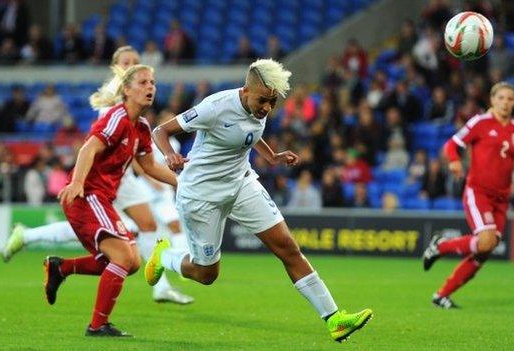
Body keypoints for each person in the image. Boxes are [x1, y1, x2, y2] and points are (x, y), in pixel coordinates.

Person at [147, 59, 372, 342]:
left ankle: (334, 318)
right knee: (206, 274)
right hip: (201, 194)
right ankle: (163, 256)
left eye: (273, 103)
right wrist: (169, 154)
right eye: (263, 101)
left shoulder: (261, 105)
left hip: (242, 184)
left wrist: (271, 156)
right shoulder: (214, 107)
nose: (266, 108)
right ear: (245, 91)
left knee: (288, 248)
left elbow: (248, 134)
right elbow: (161, 131)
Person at [3, 46, 192, 305]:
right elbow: (98, 146)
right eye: (127, 62)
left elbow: (141, 154)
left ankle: (33, 241)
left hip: (118, 179)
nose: (134, 66)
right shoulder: (117, 110)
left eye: (138, 63)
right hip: (106, 181)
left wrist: (184, 183)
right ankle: (149, 292)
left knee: (127, 238)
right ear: (117, 68)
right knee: (125, 242)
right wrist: (81, 181)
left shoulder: (138, 114)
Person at [46, 64, 178, 336]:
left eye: (152, 82)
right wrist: (78, 182)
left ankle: (62, 267)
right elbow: (89, 147)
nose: (150, 87)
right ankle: (97, 326)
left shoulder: (141, 127)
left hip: (102, 199)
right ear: (126, 90)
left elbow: (150, 166)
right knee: (122, 256)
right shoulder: (117, 118)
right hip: (87, 195)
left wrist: (185, 184)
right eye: (142, 82)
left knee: (132, 262)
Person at [422, 82, 514, 308]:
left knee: (484, 252)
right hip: (478, 192)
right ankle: (441, 246)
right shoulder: (480, 122)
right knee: (485, 241)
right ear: (492, 100)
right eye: (501, 98)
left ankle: (441, 295)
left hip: (501, 199)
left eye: (510, 99)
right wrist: (454, 161)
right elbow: (451, 144)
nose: (506, 103)